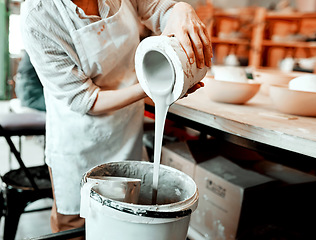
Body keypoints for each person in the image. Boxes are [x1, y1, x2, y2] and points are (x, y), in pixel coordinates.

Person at [20, 0, 212, 235]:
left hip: (126, 129)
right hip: (78, 140)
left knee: (128, 219)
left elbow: (159, 9)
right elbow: (84, 99)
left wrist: (182, 10)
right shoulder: (39, 15)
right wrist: (150, 85)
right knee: (74, 226)